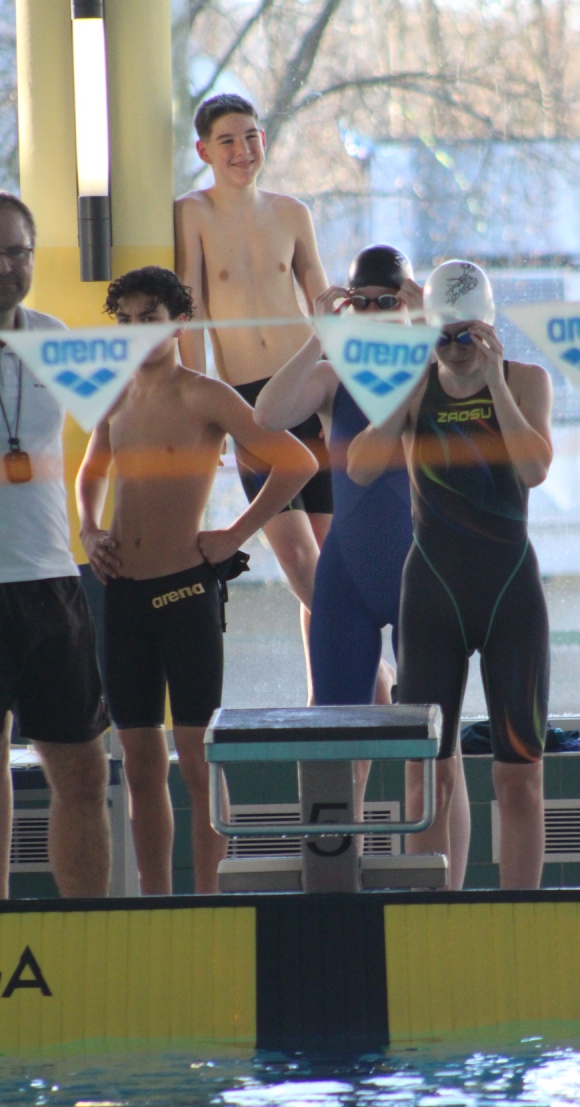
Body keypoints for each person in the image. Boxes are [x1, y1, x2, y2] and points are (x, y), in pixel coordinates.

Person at [77, 266, 317, 894]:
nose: (136, 332)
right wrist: (89, 530)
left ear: (179, 323)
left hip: (184, 590)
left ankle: (210, 900)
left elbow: (296, 461)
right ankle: (157, 902)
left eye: (149, 319)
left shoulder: (205, 395)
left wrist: (235, 534)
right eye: (125, 321)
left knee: (198, 760)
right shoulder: (115, 394)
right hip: (122, 595)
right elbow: (90, 472)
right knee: (138, 764)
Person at [254, 245, 472, 886]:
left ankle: (441, 901)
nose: (375, 311)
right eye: (363, 302)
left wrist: (425, 327)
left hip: (424, 577)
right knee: (334, 753)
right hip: (345, 581)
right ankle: (335, 893)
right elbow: (267, 416)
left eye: (388, 300)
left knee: (435, 758)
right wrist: (317, 337)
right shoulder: (333, 376)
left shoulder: (439, 370)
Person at [347, 260, 553, 889]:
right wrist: (410, 385)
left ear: (489, 328)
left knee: (519, 779)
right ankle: (433, 921)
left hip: (510, 594)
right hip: (432, 596)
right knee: (427, 778)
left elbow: (534, 470)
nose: (457, 348)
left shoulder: (525, 380)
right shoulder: (415, 385)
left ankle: (519, 925)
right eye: (444, 335)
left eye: (468, 334)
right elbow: (360, 467)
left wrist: (494, 383)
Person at [175, 93, 330, 696]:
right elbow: (189, 315)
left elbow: (324, 307)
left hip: (308, 390)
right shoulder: (192, 213)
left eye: (251, 137)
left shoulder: (292, 212)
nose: (242, 151)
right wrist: (202, 407)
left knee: (327, 562)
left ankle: (327, 692)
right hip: (247, 403)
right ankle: (374, 674)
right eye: (228, 141)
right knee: (298, 561)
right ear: (204, 151)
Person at [0, 192, 110, 900]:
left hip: (50, 582)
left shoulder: (55, 338)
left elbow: (119, 423)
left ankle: (89, 934)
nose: (5, 266)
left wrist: (97, 523)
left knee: (85, 774)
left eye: (17, 251)